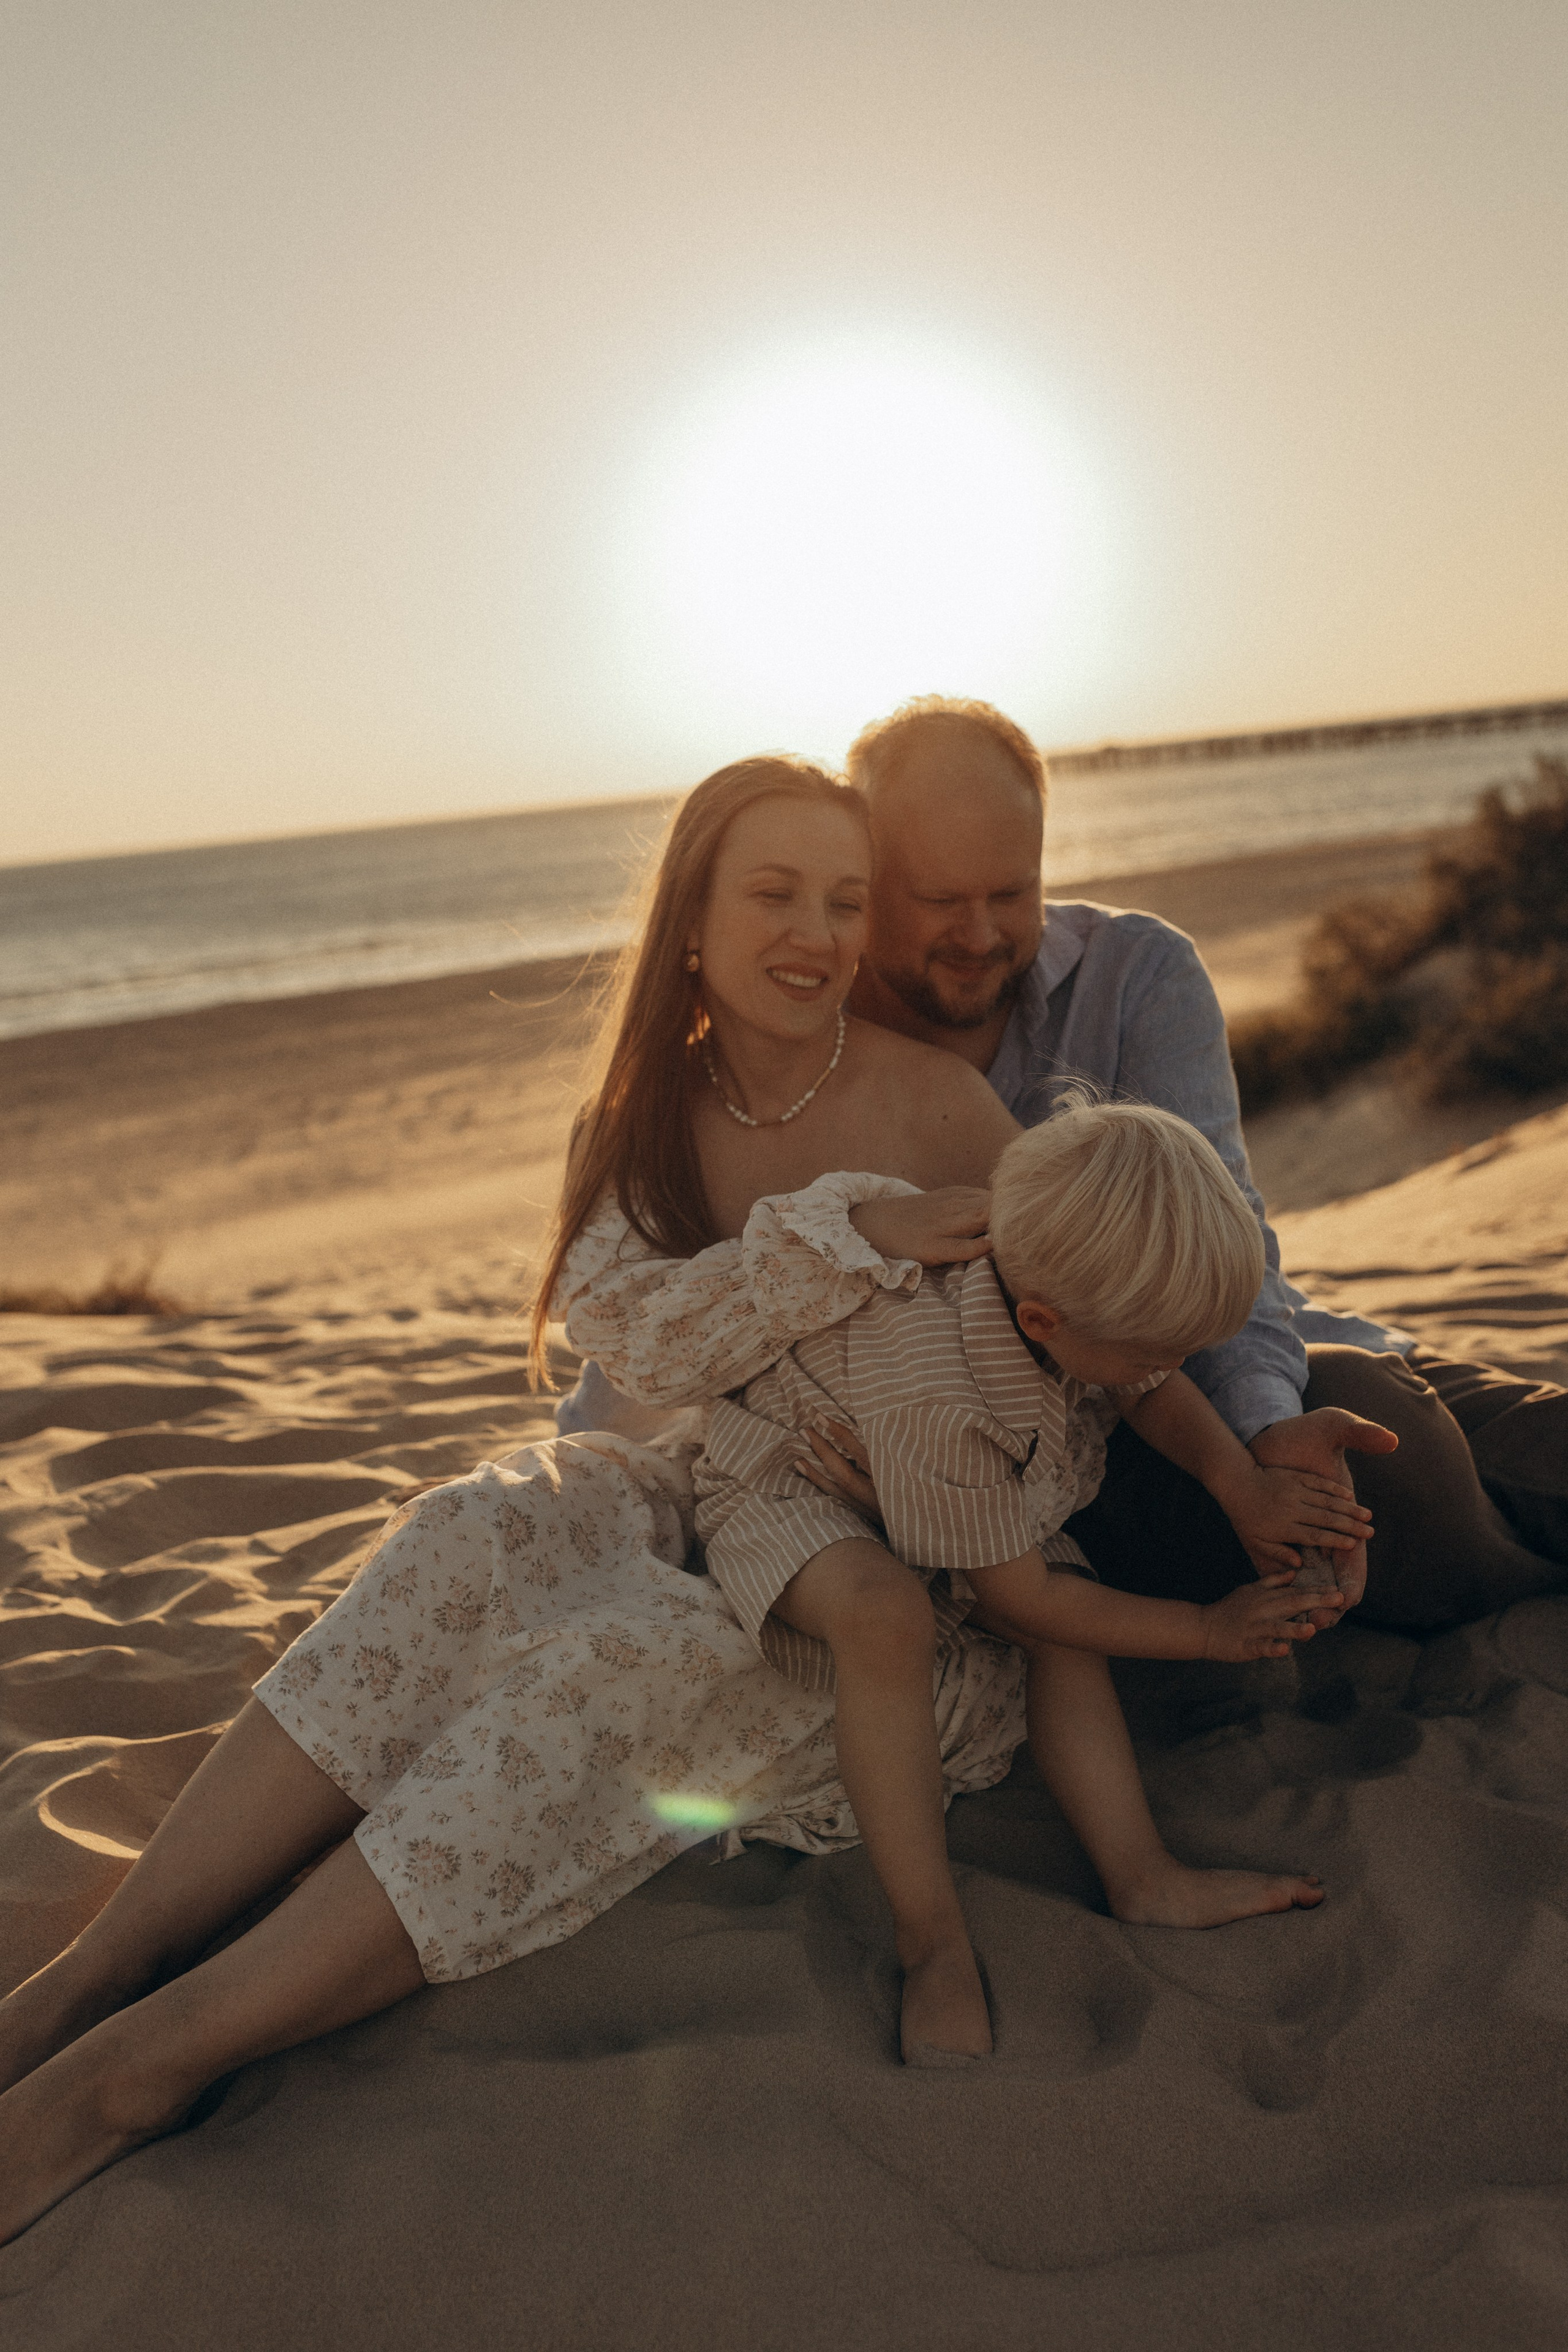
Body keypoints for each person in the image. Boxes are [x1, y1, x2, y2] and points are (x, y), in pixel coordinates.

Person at [0, 754, 1039, 2244]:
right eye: (772, 892)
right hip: (714, 1494)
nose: (812, 929)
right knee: (474, 1522)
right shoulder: (640, 1116)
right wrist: (847, 1232)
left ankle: (139, 2071)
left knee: (604, 1664)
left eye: (843, 899)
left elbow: (1091, 1343)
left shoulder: (935, 1105)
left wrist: (939, 1450)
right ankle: (94, 1973)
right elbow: (640, 1336)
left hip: (903, 1607)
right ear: (690, 918)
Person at [561, 695, 1566, 1647]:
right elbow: (667, 1327)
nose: (983, 932)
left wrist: (1265, 1423)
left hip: (1202, 1368)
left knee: (1447, 1425)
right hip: (1047, 1462)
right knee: (1403, 1463)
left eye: (1014, 891)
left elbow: (1229, 1245)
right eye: (938, 899)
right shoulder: (801, 1039)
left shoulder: (1135, 976)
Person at [694, 1098, 1365, 2059]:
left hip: (955, 1472)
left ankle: (1141, 1875)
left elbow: (1145, 1384)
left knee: (1066, 1607)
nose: (1168, 1368)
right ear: (1045, 1321)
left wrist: (1240, 1482)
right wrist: (1209, 1630)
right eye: (1153, 1349)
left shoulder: (1069, 1295)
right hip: (800, 1478)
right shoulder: (942, 1386)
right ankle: (932, 1940)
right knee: (892, 1615)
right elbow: (1018, 1600)